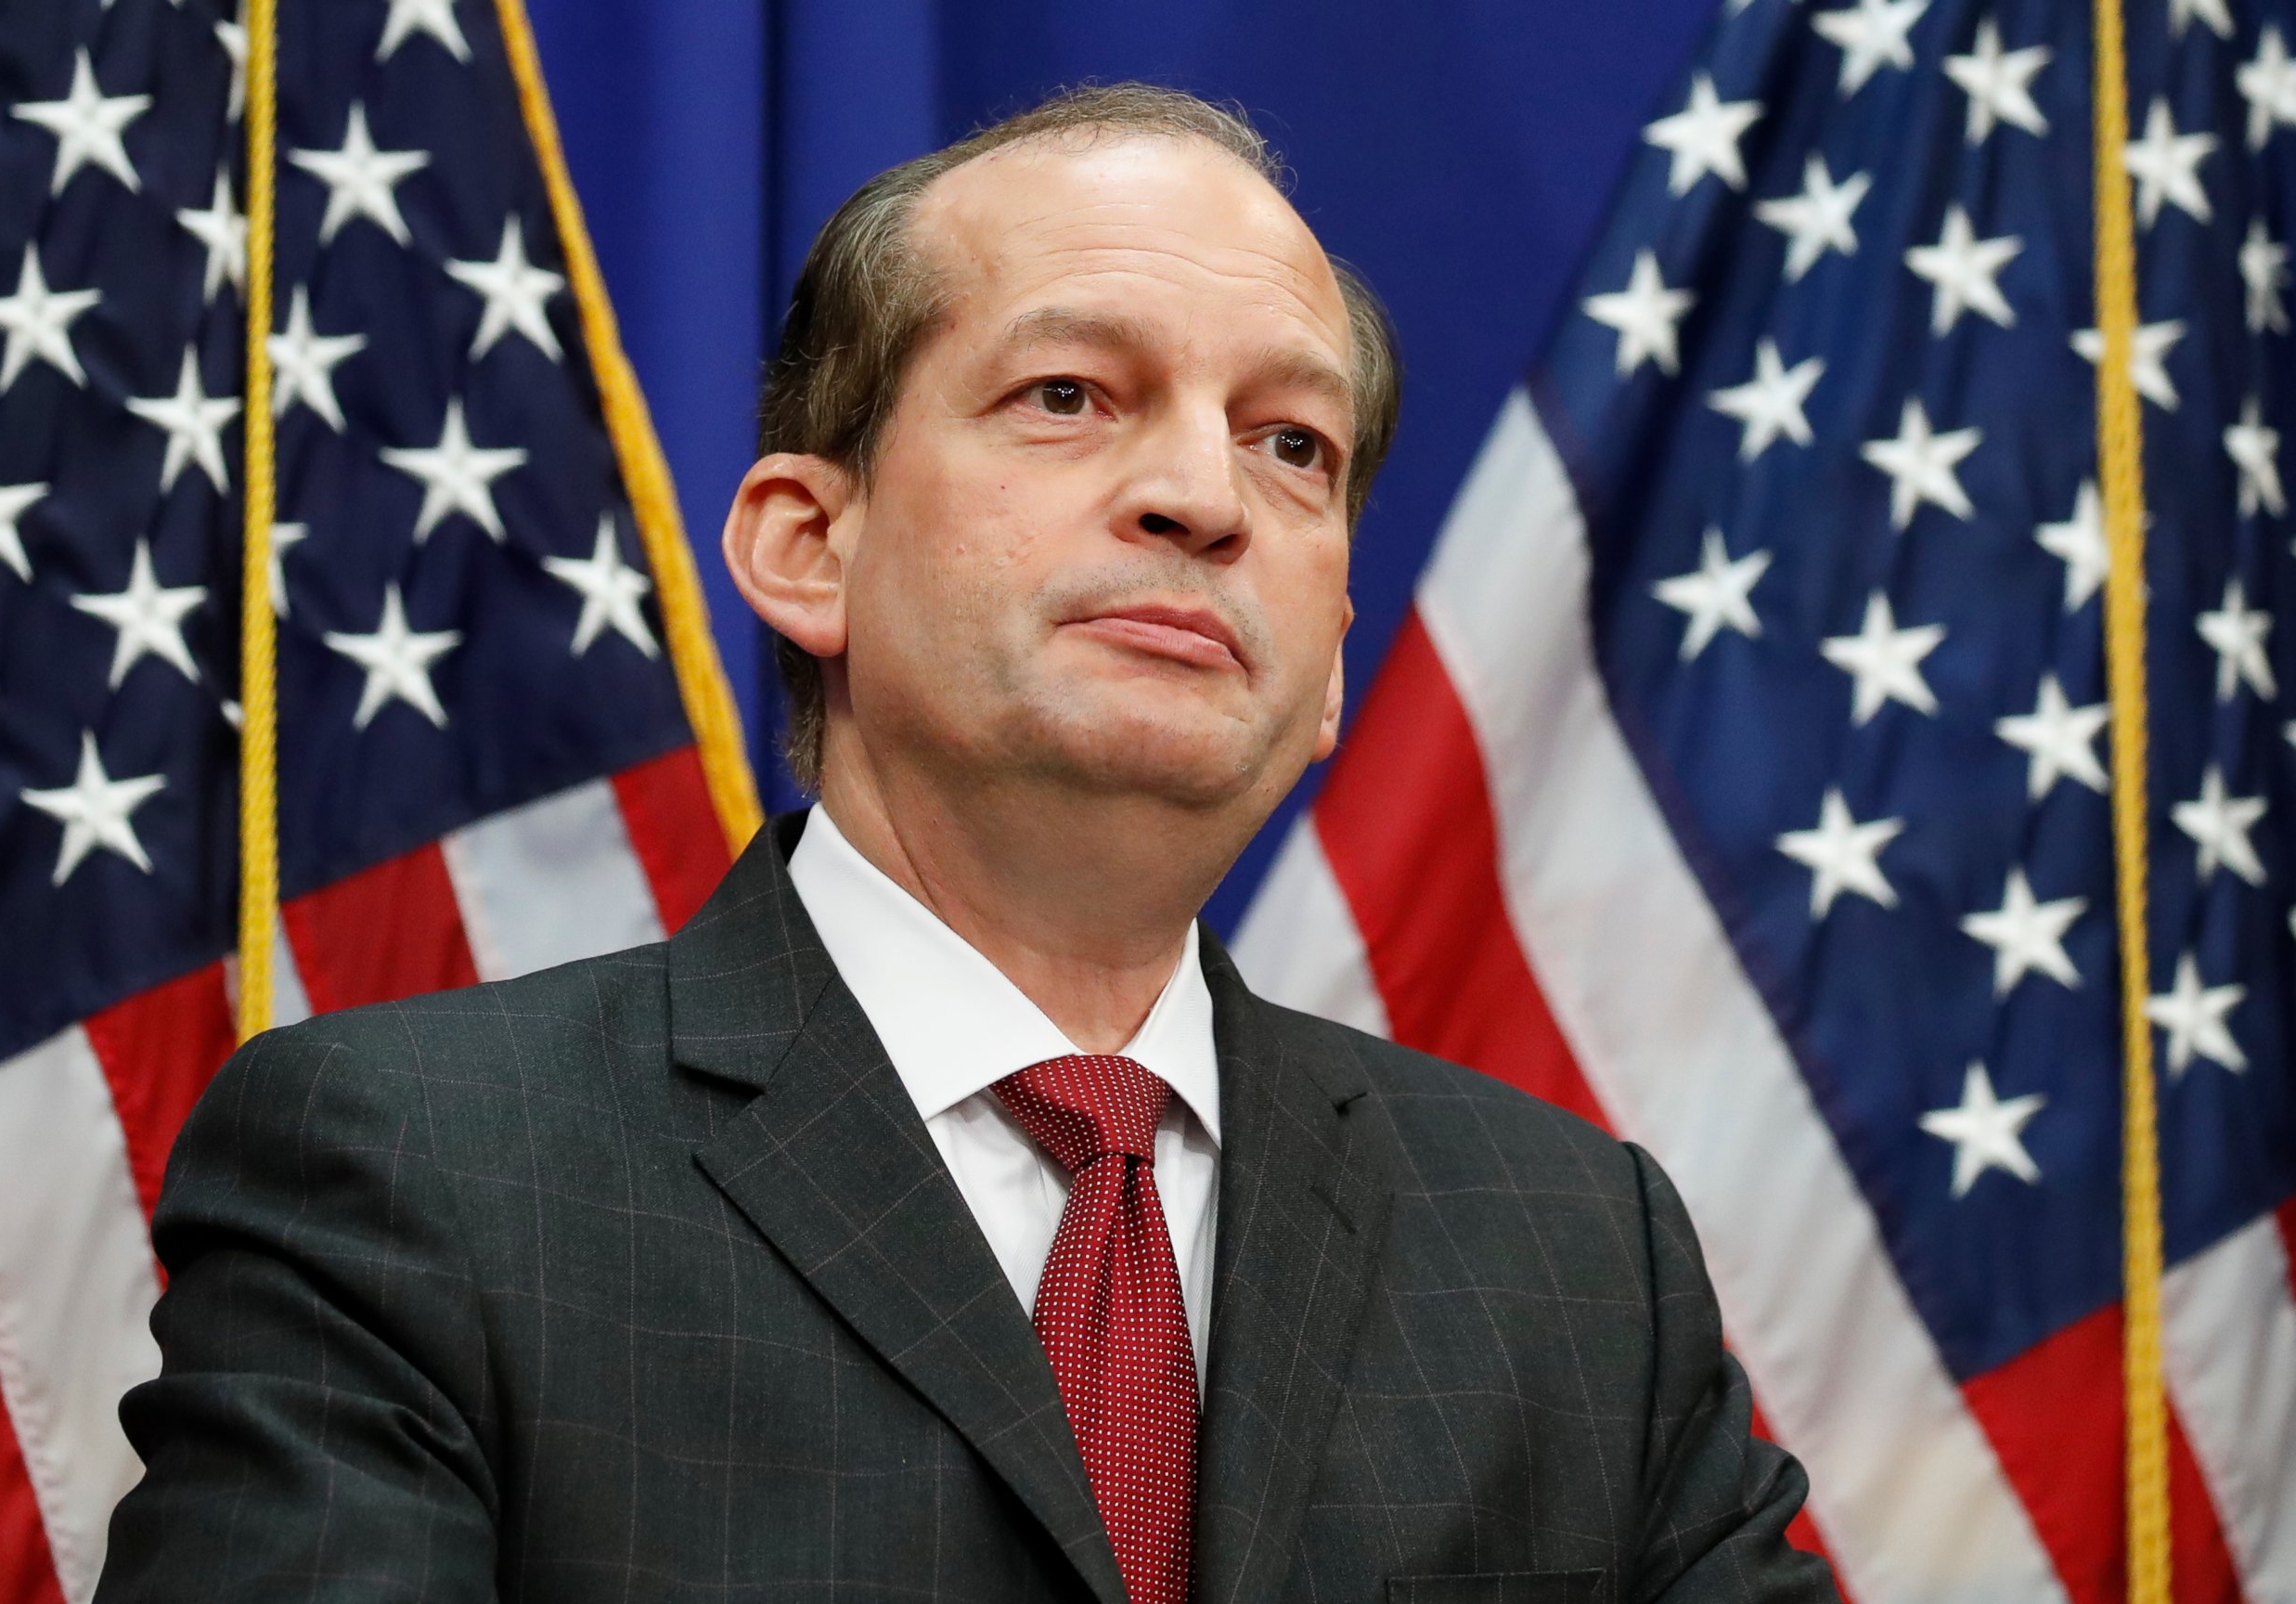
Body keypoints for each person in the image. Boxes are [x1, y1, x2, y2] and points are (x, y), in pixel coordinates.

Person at [98, 84, 1835, 1604]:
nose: (1205, 498)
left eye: (1290, 444)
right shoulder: (411, 1173)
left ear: (1329, 678)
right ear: (807, 546)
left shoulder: (1575, 1246)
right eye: (1072, 395)